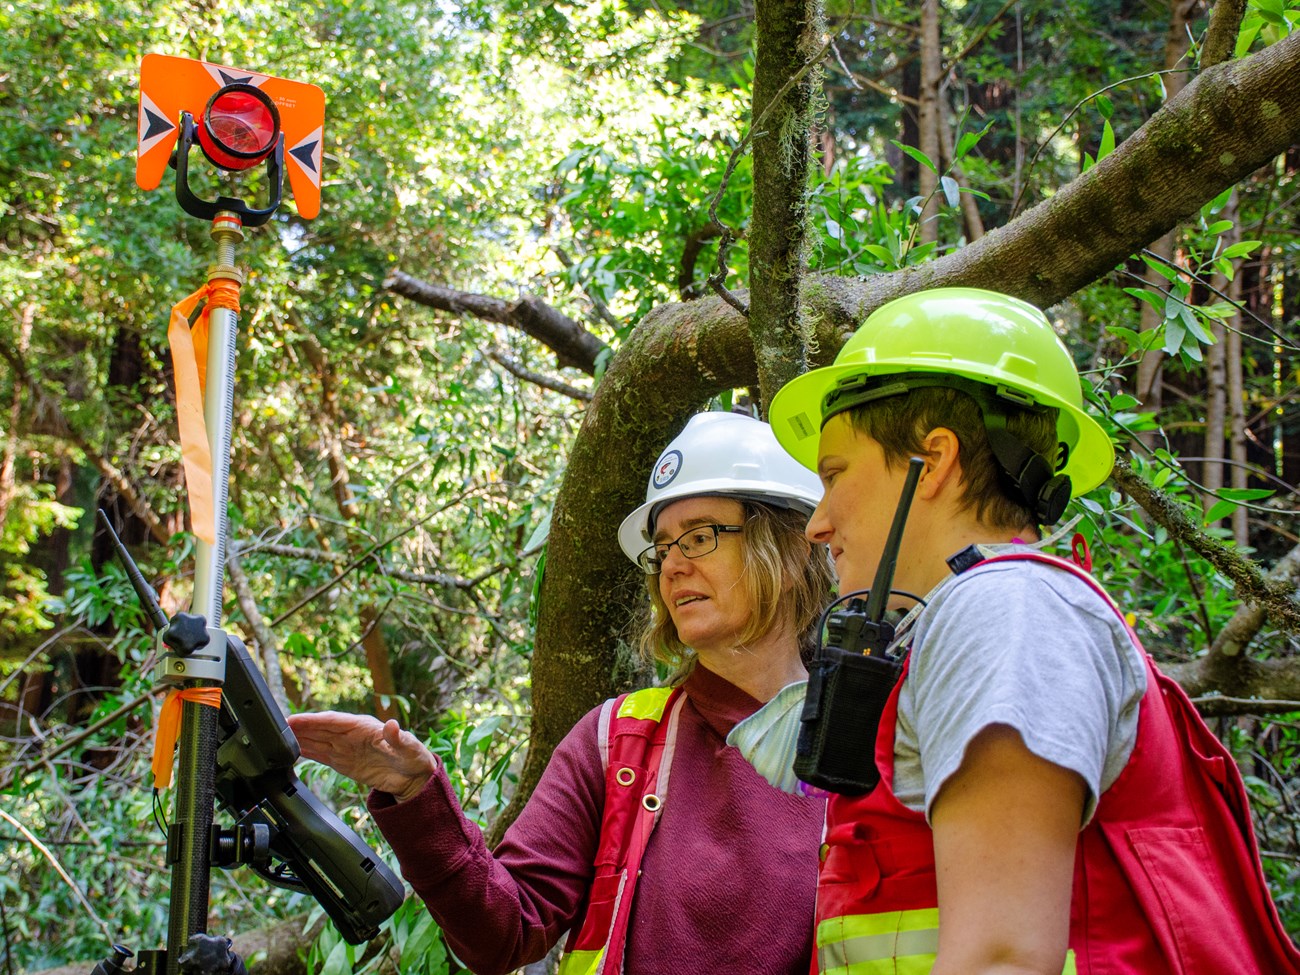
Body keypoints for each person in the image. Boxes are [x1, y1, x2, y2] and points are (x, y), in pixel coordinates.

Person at [744, 287, 1300, 974]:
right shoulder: (972, 616)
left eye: (835, 475)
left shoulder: (1005, 611)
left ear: (935, 459)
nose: (817, 521)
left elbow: (1000, 958)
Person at [287, 411, 835, 975]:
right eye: (663, 548)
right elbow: (503, 935)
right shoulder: (618, 741)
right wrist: (413, 792)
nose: (671, 565)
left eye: (698, 537)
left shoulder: (875, 735)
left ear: (792, 551)